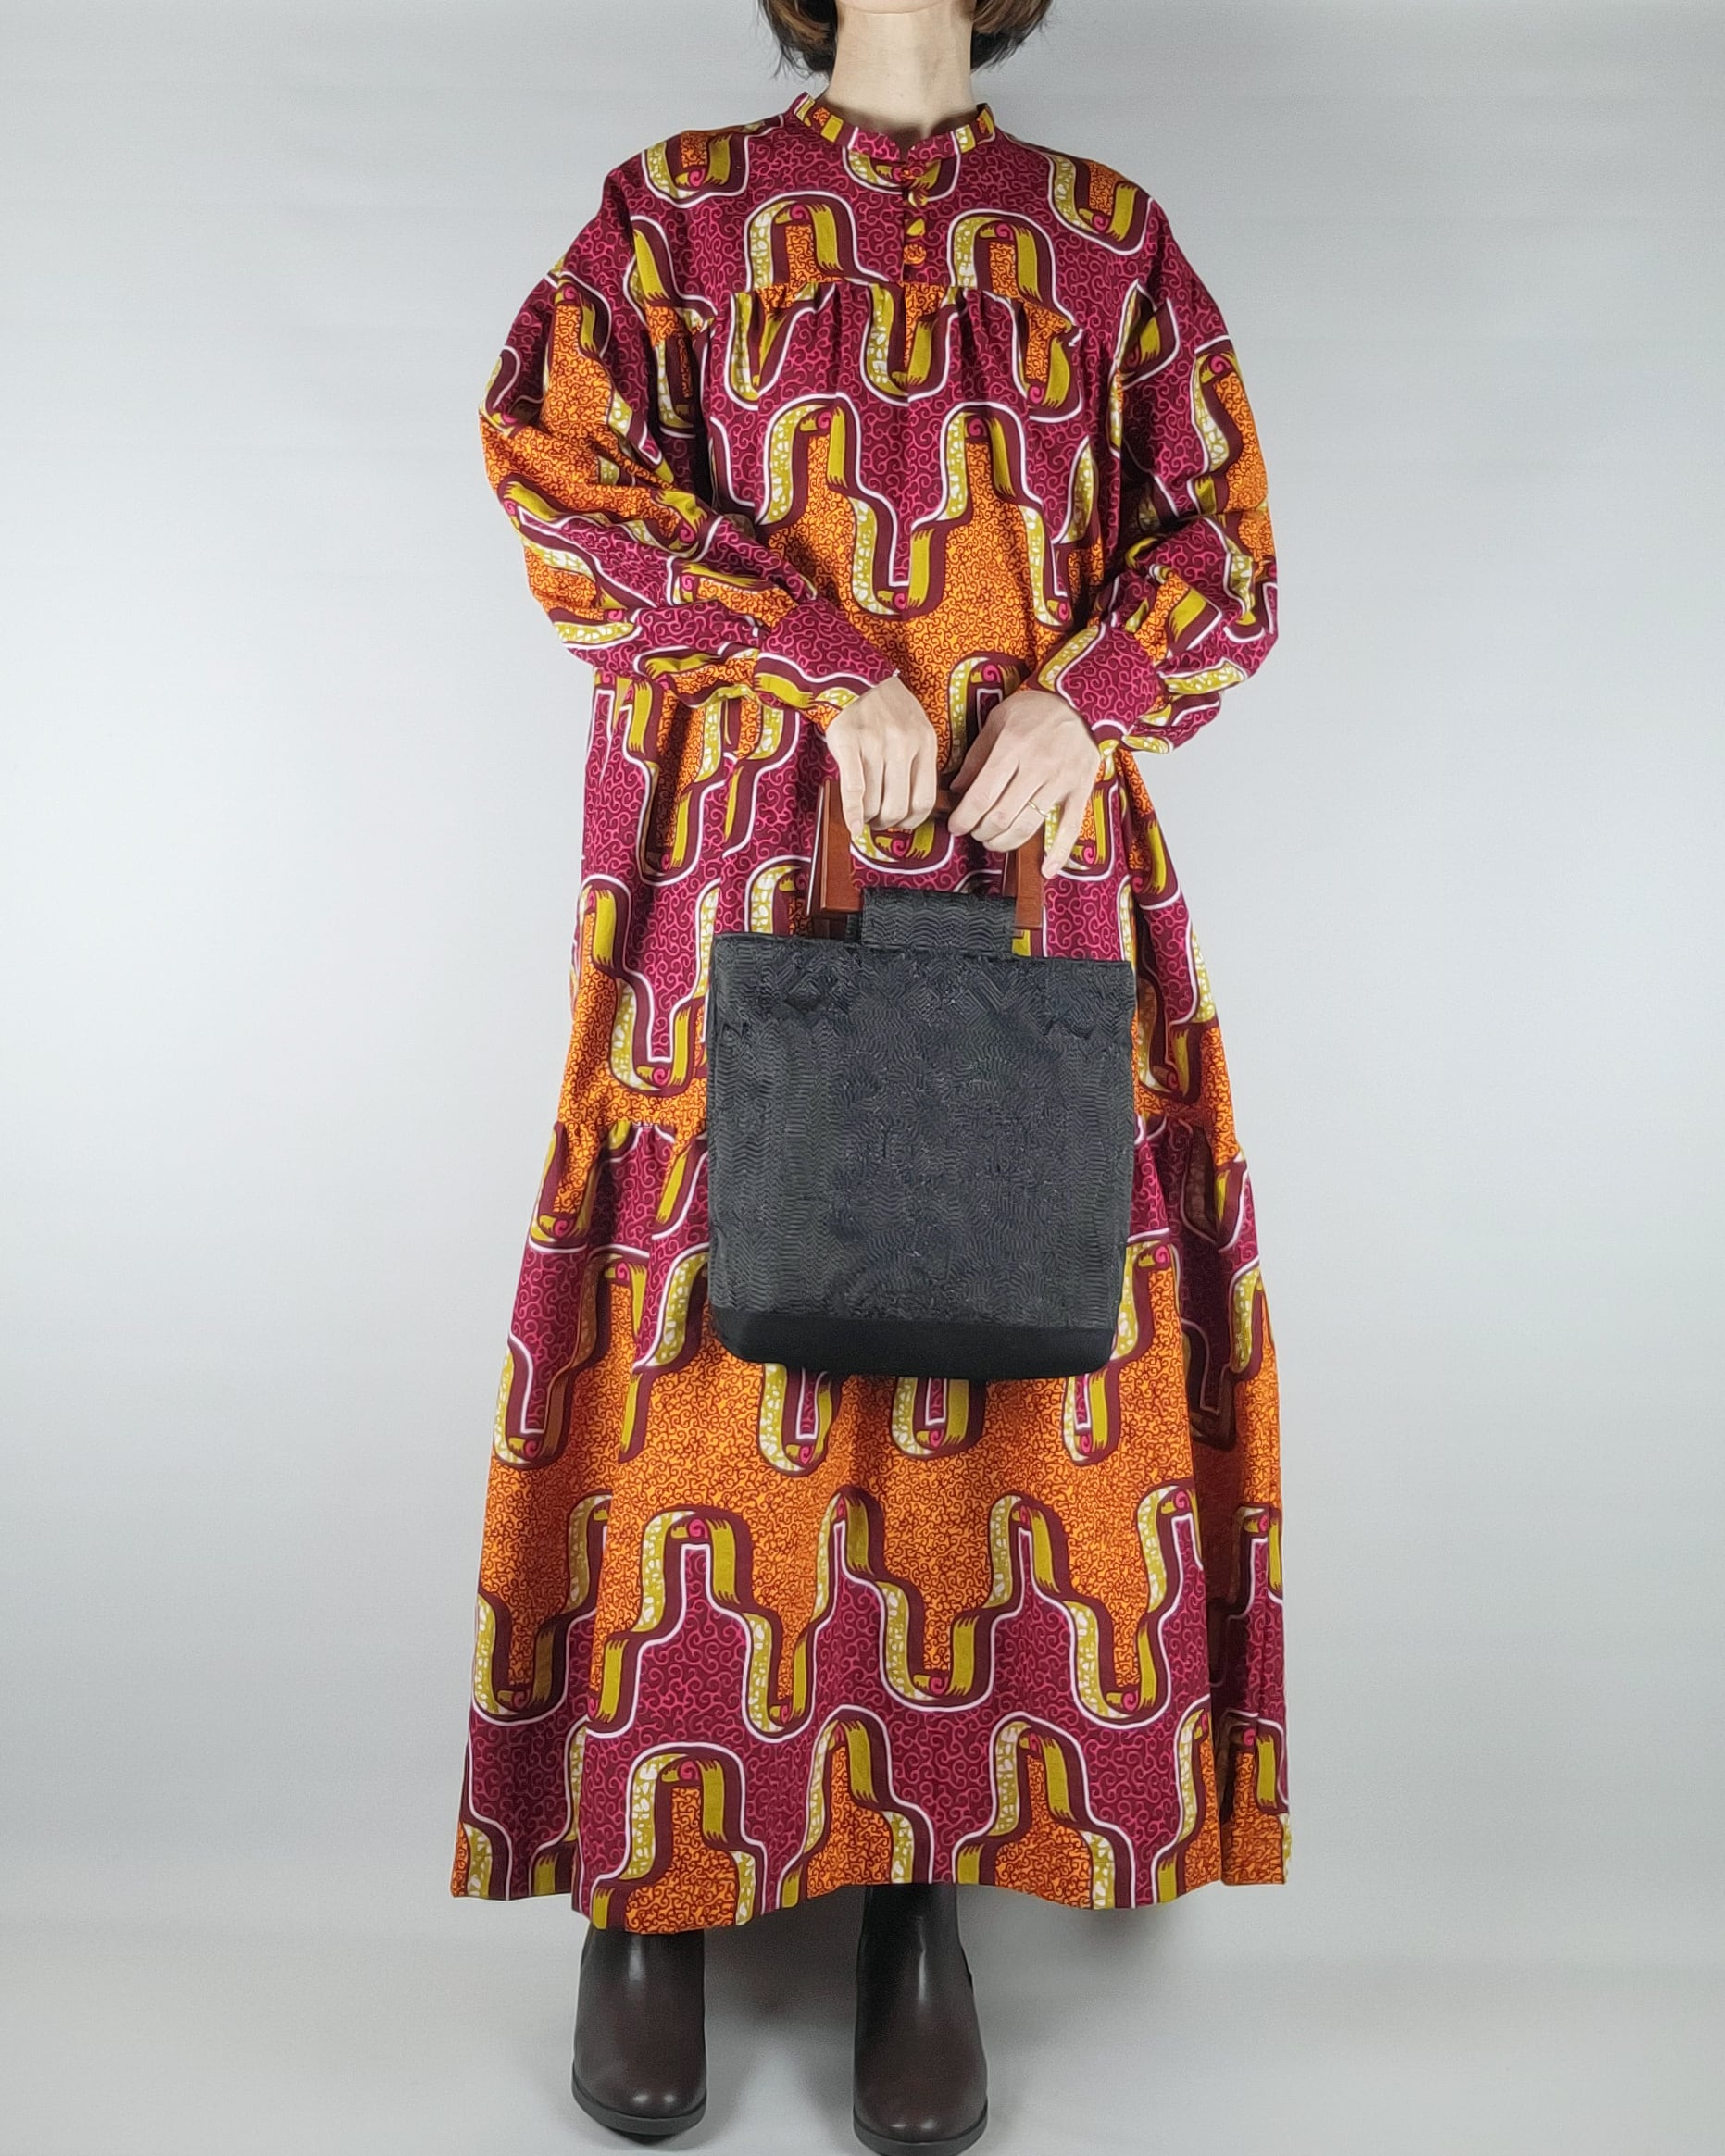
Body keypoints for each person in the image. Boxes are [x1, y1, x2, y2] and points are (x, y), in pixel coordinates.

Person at [454, 1, 1285, 2148]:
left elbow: (1223, 545)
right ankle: (640, 1896)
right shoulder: (677, 216)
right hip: (736, 861)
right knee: (699, 1353)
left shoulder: (1103, 241)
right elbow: (553, 466)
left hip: (1023, 877)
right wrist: (807, 652)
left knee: (997, 1355)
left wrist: (1094, 695)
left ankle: (925, 1901)